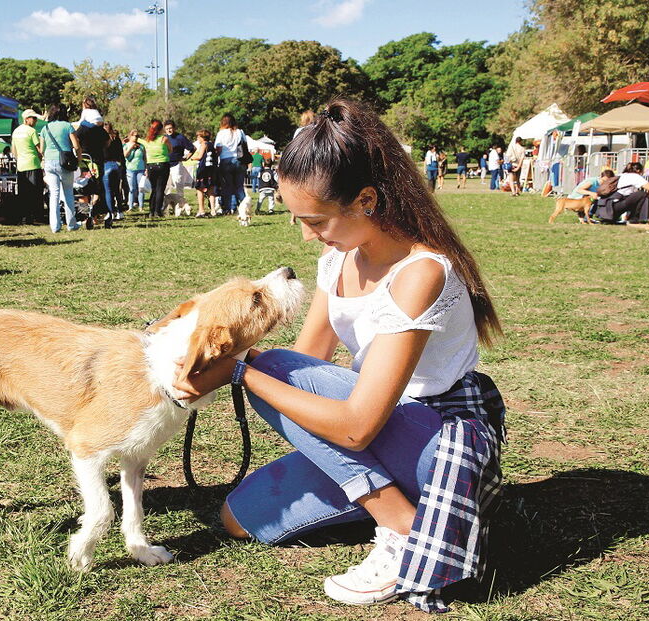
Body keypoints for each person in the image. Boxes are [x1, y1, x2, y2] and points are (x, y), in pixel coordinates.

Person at [172, 99, 505, 614]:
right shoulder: (338, 258)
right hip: (382, 432)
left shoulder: (421, 273)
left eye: (314, 219)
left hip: (437, 438)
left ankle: (404, 524)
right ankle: (404, 503)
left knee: (271, 370)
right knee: (237, 519)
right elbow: (308, 364)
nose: (307, 234)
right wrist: (222, 361)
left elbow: (355, 428)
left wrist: (239, 369)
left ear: (366, 199)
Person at [39, 103, 81, 233]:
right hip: (65, 163)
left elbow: (41, 149)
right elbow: (76, 146)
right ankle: (71, 224)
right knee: (68, 193)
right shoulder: (68, 126)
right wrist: (78, 160)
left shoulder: (45, 128)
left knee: (54, 194)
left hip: (49, 163)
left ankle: (55, 226)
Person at [11, 108, 45, 225]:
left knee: (24, 194)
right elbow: (39, 150)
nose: (35, 121)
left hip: (21, 166)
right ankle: (37, 217)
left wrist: (19, 159)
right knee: (36, 192)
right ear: (27, 119)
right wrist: (42, 160)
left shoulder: (16, 131)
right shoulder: (32, 131)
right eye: (34, 118)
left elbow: (13, 150)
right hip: (33, 164)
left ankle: (25, 218)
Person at [214, 113, 250, 216]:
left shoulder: (221, 133)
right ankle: (244, 207)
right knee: (239, 186)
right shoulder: (240, 132)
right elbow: (245, 145)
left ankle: (230, 208)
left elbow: (218, 148)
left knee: (227, 186)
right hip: (239, 160)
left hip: (225, 160)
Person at [141, 120, 171, 218]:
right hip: (163, 164)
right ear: (160, 129)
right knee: (160, 189)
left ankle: (151, 211)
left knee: (154, 189)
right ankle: (158, 211)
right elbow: (171, 150)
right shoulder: (164, 139)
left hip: (151, 166)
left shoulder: (148, 140)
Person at [101, 122, 125, 227]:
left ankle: (110, 213)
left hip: (106, 165)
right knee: (117, 190)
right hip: (116, 165)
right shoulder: (117, 140)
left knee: (108, 191)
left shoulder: (101, 141)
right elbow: (121, 154)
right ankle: (120, 212)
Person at [192, 129, 218, 218]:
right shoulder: (212, 144)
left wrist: (192, 158)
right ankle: (213, 210)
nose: (197, 139)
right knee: (211, 191)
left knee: (200, 190)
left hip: (203, 169)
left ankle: (201, 210)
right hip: (211, 169)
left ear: (202, 137)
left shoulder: (204, 144)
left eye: (198, 137)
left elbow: (200, 157)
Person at [124, 129, 146, 212]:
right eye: (135, 136)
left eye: (138, 136)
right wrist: (131, 147)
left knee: (141, 188)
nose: (137, 138)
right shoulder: (126, 145)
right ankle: (130, 206)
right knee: (132, 188)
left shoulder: (141, 146)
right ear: (130, 136)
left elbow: (144, 157)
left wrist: (146, 168)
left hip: (140, 169)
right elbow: (125, 155)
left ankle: (141, 206)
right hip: (130, 169)